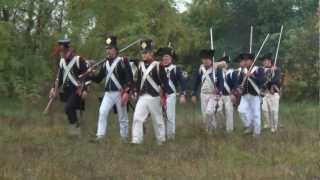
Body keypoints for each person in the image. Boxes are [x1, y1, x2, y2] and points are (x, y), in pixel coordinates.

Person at [87, 35, 133, 142]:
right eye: (107, 49)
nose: (108, 51)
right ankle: (100, 136)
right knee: (102, 112)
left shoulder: (123, 61)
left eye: (110, 48)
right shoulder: (105, 63)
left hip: (120, 93)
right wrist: (90, 74)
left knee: (122, 117)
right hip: (108, 94)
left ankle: (124, 138)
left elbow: (129, 77)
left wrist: (127, 92)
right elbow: (99, 79)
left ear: (116, 49)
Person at [131, 39, 169, 145]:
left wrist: (163, 97)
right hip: (143, 97)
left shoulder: (158, 65)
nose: (143, 54)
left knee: (157, 120)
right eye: (142, 52)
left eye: (146, 52)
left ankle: (161, 141)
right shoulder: (140, 65)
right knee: (137, 118)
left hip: (155, 97)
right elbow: (138, 82)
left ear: (152, 53)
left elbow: (164, 83)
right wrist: (135, 92)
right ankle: (136, 140)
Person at [49, 35, 89, 136]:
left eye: (63, 51)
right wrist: (54, 88)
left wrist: (85, 89)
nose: (61, 53)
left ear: (68, 49)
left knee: (68, 108)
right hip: (67, 91)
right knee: (70, 110)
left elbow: (87, 75)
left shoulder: (78, 59)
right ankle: (75, 133)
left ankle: (76, 131)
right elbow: (60, 78)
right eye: (61, 52)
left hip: (77, 90)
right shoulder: (62, 62)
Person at [157, 47, 187, 140]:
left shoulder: (175, 69)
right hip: (160, 96)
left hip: (171, 95)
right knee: (160, 117)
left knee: (170, 117)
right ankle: (161, 136)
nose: (165, 59)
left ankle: (171, 137)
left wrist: (183, 94)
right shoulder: (158, 68)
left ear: (171, 58)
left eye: (167, 57)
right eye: (164, 57)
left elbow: (183, 83)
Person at [191, 49, 224, 134]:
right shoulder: (201, 69)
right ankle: (209, 131)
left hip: (213, 94)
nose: (205, 60)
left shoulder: (216, 68)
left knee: (209, 112)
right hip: (203, 94)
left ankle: (214, 129)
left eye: (207, 59)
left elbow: (221, 81)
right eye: (204, 59)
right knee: (205, 115)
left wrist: (219, 90)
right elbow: (196, 82)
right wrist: (194, 94)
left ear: (211, 59)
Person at [237, 53, 265, 137]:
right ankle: (250, 125)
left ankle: (256, 133)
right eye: (244, 60)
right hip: (244, 95)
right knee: (241, 111)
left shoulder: (258, 69)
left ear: (252, 61)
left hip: (255, 95)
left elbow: (261, 81)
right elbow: (239, 82)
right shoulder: (243, 71)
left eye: (247, 60)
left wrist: (252, 76)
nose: (245, 62)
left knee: (256, 114)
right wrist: (239, 87)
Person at [217, 55, 239, 133]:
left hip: (229, 95)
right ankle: (222, 125)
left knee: (229, 112)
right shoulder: (218, 72)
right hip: (220, 95)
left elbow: (236, 85)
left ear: (227, 64)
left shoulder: (232, 72)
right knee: (218, 110)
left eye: (225, 63)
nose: (224, 64)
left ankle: (229, 129)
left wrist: (234, 95)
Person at [261, 53, 281, 133]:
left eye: (265, 61)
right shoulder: (262, 70)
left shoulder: (276, 70)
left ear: (269, 61)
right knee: (264, 109)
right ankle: (267, 124)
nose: (264, 62)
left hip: (274, 94)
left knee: (274, 111)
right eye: (263, 61)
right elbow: (261, 81)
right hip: (265, 93)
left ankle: (274, 128)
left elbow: (276, 80)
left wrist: (270, 76)